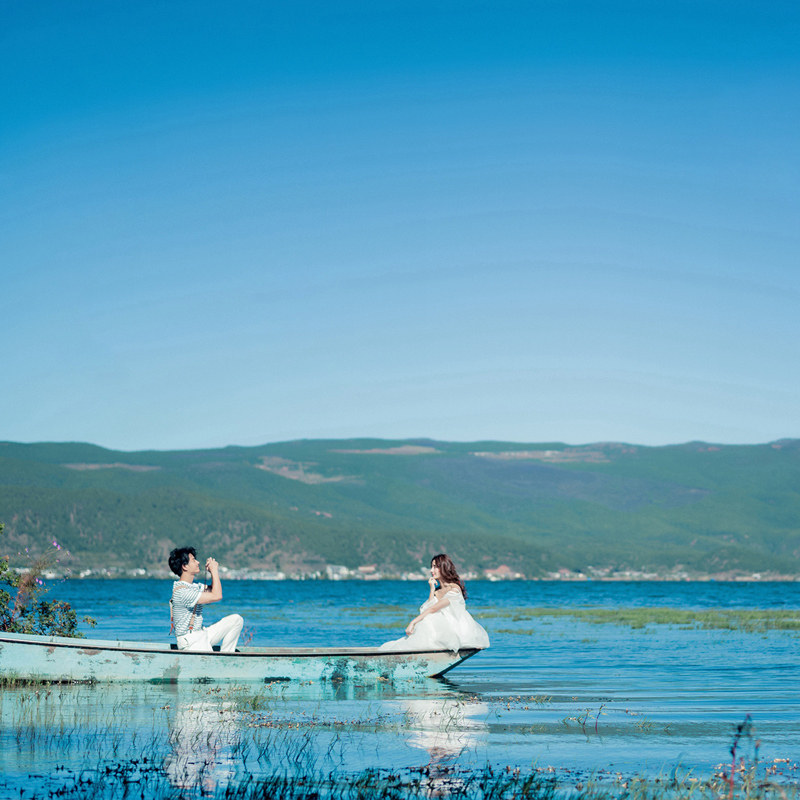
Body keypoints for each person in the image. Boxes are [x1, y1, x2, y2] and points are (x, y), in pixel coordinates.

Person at [380, 553, 489, 652]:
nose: (432, 570)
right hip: (442, 626)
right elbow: (427, 607)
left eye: (435, 567)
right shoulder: (438, 590)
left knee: (428, 618)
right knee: (426, 620)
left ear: (444, 568)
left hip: (455, 627)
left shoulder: (454, 588)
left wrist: (413, 622)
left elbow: (433, 609)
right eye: (431, 567)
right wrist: (432, 588)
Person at [168, 546, 243, 653]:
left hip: (202, 634)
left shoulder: (193, 586)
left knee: (236, 620)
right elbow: (217, 596)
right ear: (185, 566)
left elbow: (214, 589)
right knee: (209, 661)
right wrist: (214, 570)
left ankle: (227, 657)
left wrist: (213, 572)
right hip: (190, 641)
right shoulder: (182, 592)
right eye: (194, 560)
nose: (198, 562)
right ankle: (222, 663)